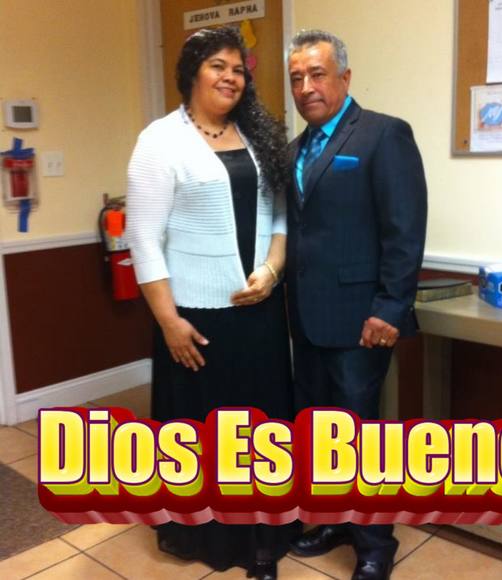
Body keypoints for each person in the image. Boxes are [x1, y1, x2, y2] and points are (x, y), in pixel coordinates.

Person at [126, 26, 299, 580]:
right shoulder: (160, 140)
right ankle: (216, 537)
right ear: (192, 73)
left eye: (238, 69)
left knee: (262, 428)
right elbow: (142, 238)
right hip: (195, 319)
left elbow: (279, 216)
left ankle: (265, 538)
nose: (230, 77)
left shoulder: (256, 134)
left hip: (259, 310)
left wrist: (271, 270)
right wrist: (168, 321)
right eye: (217, 66)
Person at [285, 30, 428, 580]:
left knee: (360, 436)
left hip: (360, 322)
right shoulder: (295, 150)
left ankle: (375, 545)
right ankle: (334, 522)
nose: (306, 87)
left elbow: (404, 229)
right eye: (297, 78)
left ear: (344, 77)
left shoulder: (383, 134)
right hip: (306, 321)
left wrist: (390, 309)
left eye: (317, 74)